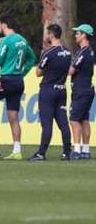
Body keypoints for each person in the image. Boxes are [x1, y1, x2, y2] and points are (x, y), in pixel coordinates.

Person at [0, 16, 37, 160]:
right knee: (13, 117)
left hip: (6, 79)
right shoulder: (22, 40)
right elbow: (31, 59)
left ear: (4, 25)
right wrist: (22, 72)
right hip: (18, 80)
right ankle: (17, 150)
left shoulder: (6, 40)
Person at [28, 24, 72, 161]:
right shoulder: (68, 52)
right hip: (62, 90)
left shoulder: (48, 52)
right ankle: (67, 152)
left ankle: (41, 153)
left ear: (51, 35)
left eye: (48, 34)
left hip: (48, 90)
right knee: (63, 123)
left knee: (47, 124)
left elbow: (38, 72)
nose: (46, 36)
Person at [69, 24, 94, 160]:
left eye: (78, 33)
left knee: (74, 120)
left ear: (84, 35)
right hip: (87, 89)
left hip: (81, 90)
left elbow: (71, 71)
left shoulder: (83, 52)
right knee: (84, 119)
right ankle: (86, 150)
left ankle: (77, 150)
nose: (76, 35)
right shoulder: (89, 51)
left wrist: (71, 67)